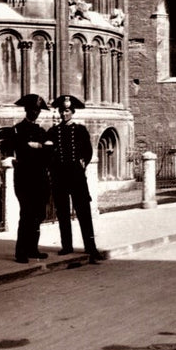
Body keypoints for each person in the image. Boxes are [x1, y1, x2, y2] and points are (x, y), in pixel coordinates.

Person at [47, 95, 106, 264]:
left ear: (72, 112)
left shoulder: (80, 130)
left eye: (66, 111)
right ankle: (67, 245)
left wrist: (83, 162)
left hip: (76, 176)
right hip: (60, 177)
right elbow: (49, 153)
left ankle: (90, 246)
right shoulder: (53, 131)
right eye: (61, 111)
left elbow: (88, 151)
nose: (63, 114)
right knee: (63, 212)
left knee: (83, 212)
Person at [11, 94, 51, 263]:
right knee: (26, 214)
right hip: (25, 180)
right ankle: (21, 251)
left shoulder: (42, 131)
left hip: (40, 179)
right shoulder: (17, 129)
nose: (35, 113)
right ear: (26, 110)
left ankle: (32, 248)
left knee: (38, 214)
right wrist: (39, 148)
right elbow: (22, 151)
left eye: (38, 110)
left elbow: (49, 154)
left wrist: (39, 147)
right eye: (33, 110)